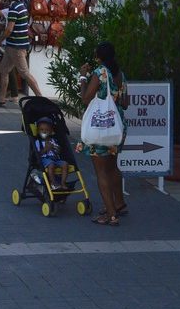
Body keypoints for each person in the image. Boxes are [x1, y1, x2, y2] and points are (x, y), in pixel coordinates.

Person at [76, 41, 128, 226]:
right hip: (118, 127)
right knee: (113, 167)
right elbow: (125, 103)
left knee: (101, 172)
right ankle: (119, 204)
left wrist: (82, 78)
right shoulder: (120, 73)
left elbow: (85, 98)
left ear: (99, 57)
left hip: (101, 129)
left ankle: (111, 215)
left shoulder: (100, 73)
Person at [0, 0, 42, 104]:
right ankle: (1, 98)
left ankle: (40, 98)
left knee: (24, 73)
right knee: (4, 70)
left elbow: (9, 29)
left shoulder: (14, 8)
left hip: (16, 46)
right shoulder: (22, 6)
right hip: (13, 45)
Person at [34, 117, 68, 190]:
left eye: (47, 130)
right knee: (51, 164)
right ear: (38, 131)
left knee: (65, 164)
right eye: (41, 130)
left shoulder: (53, 140)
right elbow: (38, 154)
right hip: (45, 159)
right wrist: (46, 149)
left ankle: (63, 183)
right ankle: (53, 183)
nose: (44, 132)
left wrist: (57, 149)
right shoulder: (38, 142)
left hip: (55, 158)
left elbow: (57, 152)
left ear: (51, 132)